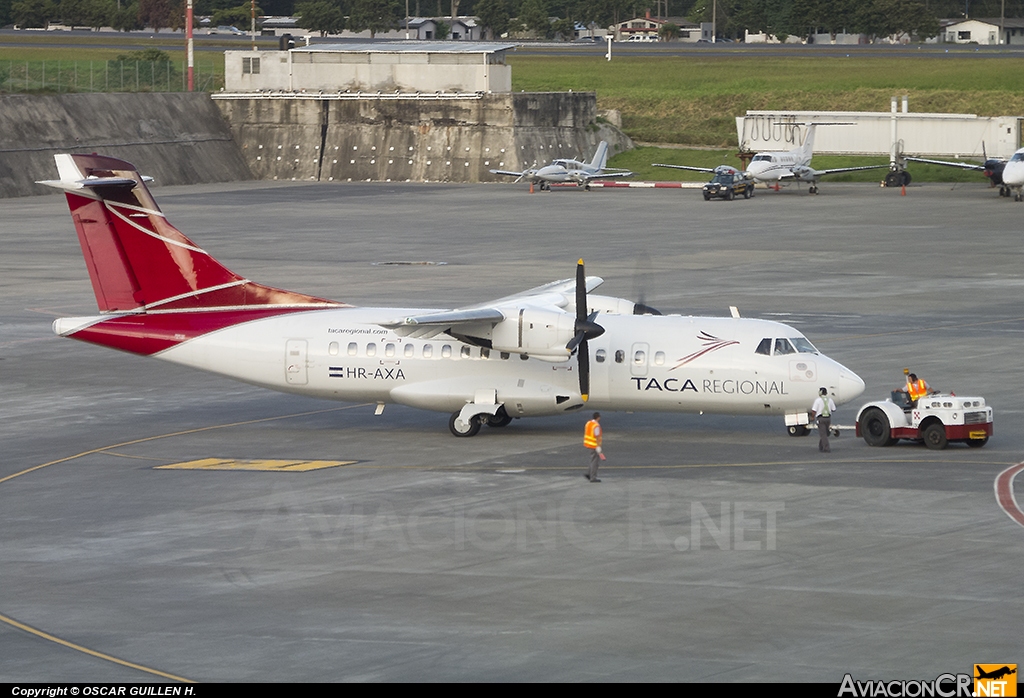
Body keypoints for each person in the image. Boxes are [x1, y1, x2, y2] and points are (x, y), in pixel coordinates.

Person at [810, 387, 836, 453]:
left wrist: (812, 417)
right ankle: (821, 446)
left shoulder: (818, 400)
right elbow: (834, 409)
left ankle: (826, 448)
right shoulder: (830, 400)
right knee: (825, 433)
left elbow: (814, 410)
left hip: (821, 418)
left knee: (823, 434)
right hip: (828, 418)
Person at [583, 412, 603, 482]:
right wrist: (598, 447)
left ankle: (589, 474)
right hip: (594, 445)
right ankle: (593, 477)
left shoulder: (589, 423)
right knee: (595, 462)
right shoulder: (596, 426)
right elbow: (597, 436)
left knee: (592, 460)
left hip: (588, 444)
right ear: (598, 417)